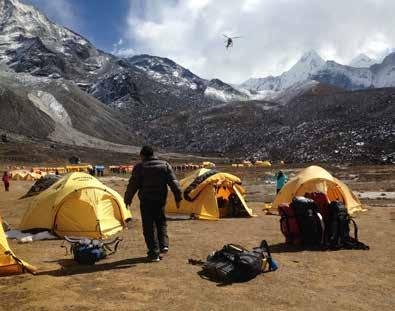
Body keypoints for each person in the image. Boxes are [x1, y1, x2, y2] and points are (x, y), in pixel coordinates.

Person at [124, 146, 182, 262]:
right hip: (160, 200)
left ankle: (154, 253)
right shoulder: (165, 165)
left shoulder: (140, 167)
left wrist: (127, 199)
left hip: (146, 201)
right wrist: (178, 197)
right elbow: (174, 183)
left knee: (149, 227)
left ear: (142, 155)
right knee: (161, 222)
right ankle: (164, 245)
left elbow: (132, 185)